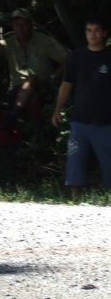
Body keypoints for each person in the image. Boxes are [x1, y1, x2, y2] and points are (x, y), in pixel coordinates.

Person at [0, 8, 68, 130]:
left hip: (44, 86)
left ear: (31, 24)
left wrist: (53, 77)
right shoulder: (8, 43)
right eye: (17, 24)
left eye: (24, 24)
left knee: (31, 80)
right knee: (33, 98)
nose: (20, 27)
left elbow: (67, 59)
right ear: (13, 26)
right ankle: (38, 132)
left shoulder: (44, 40)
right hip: (17, 90)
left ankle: (12, 118)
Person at [51, 18, 111, 199]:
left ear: (104, 33)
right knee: (75, 159)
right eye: (89, 30)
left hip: (106, 121)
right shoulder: (76, 57)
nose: (92, 34)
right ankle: (74, 198)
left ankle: (108, 198)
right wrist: (57, 110)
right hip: (80, 121)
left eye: (96, 30)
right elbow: (66, 85)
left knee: (109, 163)